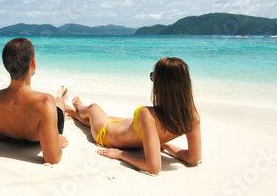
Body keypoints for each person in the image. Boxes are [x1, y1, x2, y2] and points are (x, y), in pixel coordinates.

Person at [66, 57, 201, 174]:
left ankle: (78, 107)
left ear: (161, 85)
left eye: (153, 77)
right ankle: (76, 115)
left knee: (93, 108)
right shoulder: (192, 115)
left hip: (104, 132)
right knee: (107, 117)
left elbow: (153, 167)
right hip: (124, 128)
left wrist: (121, 154)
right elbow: (193, 158)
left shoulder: (148, 114)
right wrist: (164, 145)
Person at [0, 37, 69, 164]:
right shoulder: (45, 102)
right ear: (33, 63)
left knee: (57, 103)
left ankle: (61, 96)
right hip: (46, 123)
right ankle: (61, 98)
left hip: (11, 132)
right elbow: (52, 159)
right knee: (58, 106)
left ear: (5, 66)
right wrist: (58, 142)